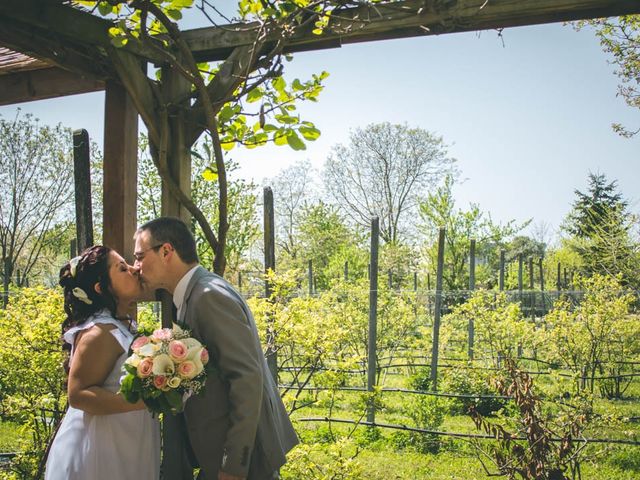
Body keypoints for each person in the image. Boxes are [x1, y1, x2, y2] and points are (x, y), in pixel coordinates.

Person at [133, 217, 298, 480]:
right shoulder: (193, 294)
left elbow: (246, 379)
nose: (136, 266)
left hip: (244, 462)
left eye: (140, 256)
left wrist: (233, 464)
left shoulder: (208, 295)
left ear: (166, 251)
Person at [45, 245, 160, 480]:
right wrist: (145, 401)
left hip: (122, 442)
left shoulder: (121, 325)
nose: (134, 269)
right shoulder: (100, 331)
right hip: (98, 452)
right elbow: (78, 395)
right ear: (101, 287)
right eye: (122, 268)